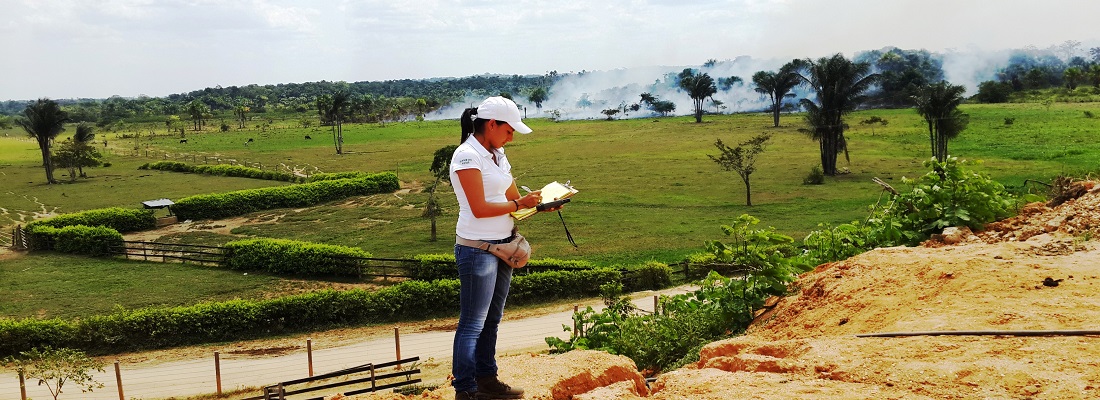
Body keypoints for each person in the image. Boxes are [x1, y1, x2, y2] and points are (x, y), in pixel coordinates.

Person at [449, 96, 549, 400]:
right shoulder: (467, 156)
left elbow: (513, 204)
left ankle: (487, 380)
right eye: (508, 129)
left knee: (492, 320)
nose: (512, 136)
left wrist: (541, 206)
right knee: (472, 323)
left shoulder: (497, 155)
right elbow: (479, 208)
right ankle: (465, 390)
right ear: (491, 124)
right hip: (478, 249)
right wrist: (520, 203)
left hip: (505, 246)